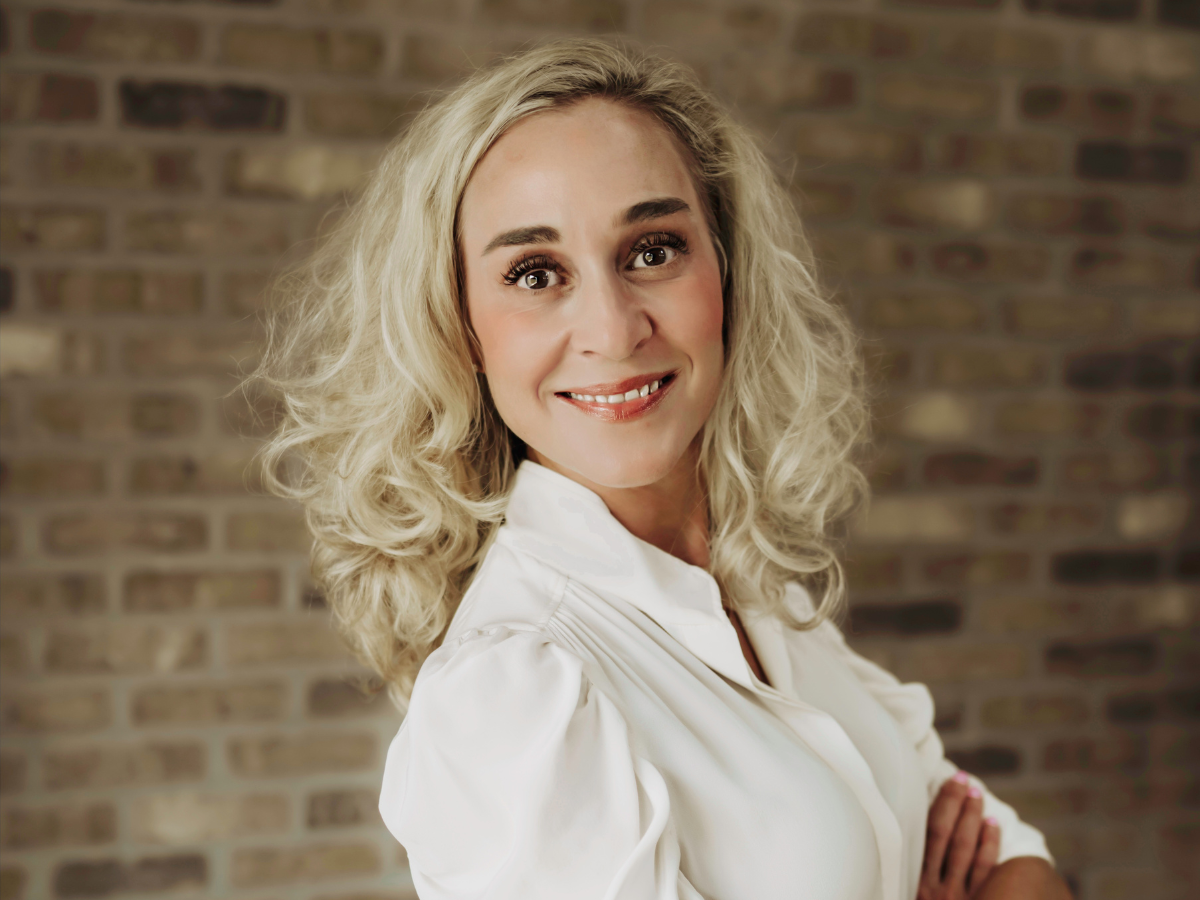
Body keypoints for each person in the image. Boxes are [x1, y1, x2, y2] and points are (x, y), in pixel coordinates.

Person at [254, 37, 1073, 900]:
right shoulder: (508, 694)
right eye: (535, 273)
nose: (613, 330)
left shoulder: (765, 601)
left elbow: (1016, 863)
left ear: (727, 272)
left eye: (652, 251)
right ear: (460, 330)